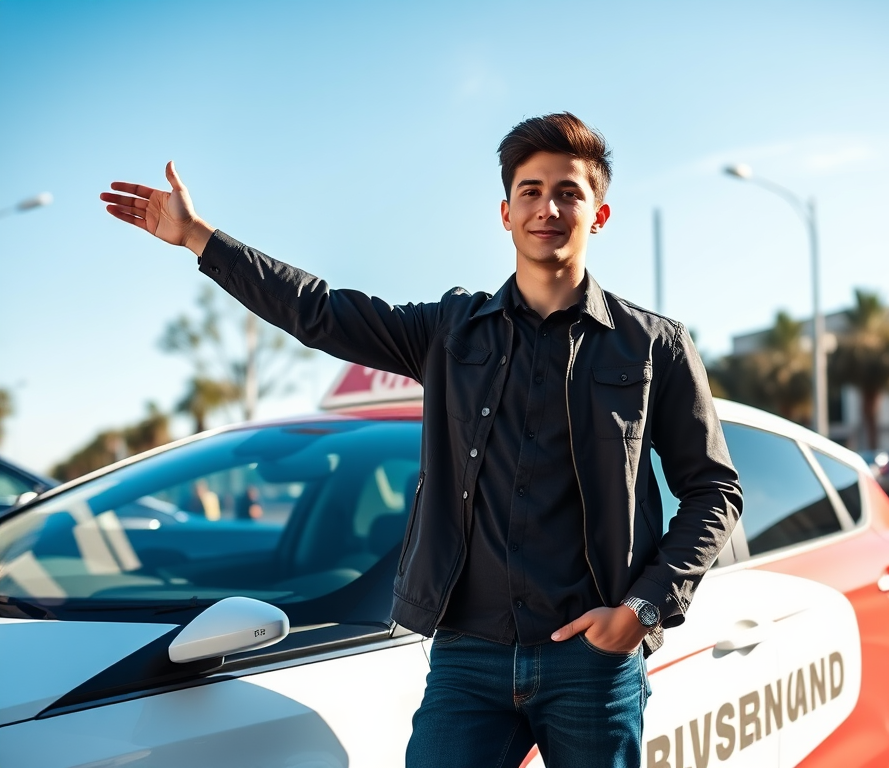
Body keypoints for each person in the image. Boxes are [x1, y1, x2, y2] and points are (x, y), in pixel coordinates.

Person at [100, 112, 742, 768]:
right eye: (531, 190)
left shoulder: (654, 347)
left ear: (598, 215)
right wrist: (200, 238)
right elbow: (318, 310)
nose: (547, 207)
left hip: (593, 662)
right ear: (505, 212)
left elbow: (714, 490)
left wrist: (644, 608)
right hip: (469, 657)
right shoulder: (450, 331)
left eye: (569, 192)